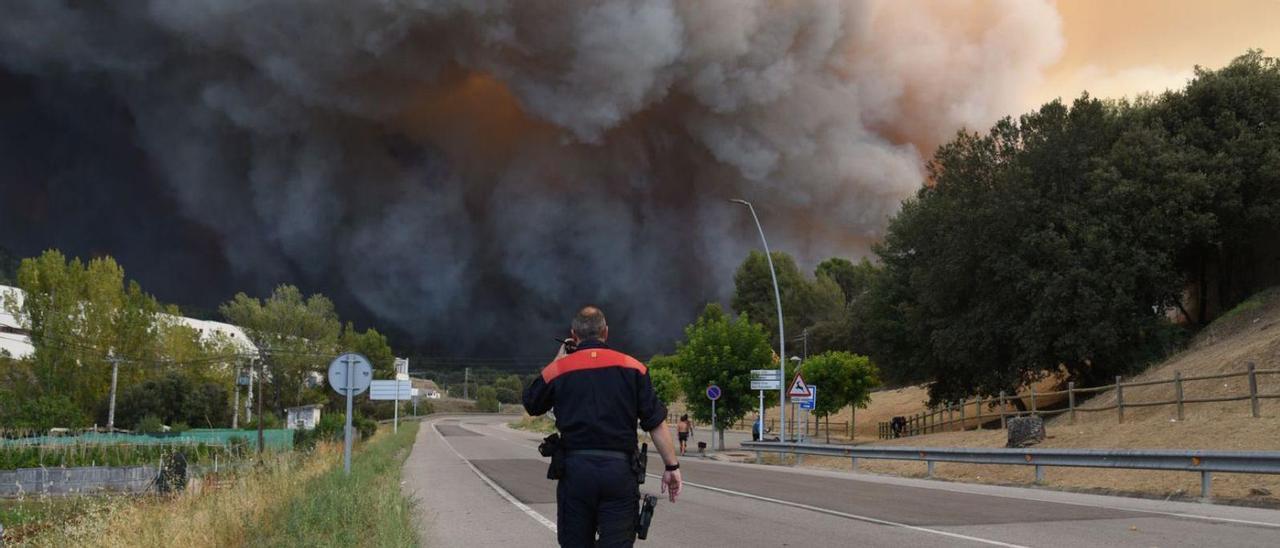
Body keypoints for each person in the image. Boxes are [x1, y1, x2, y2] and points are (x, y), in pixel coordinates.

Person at [523, 306, 682, 548]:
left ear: (573, 335)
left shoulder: (560, 369)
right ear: (606, 332)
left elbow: (532, 403)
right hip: (619, 473)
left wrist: (558, 360)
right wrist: (672, 466)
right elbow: (656, 423)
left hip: (576, 473)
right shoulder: (634, 368)